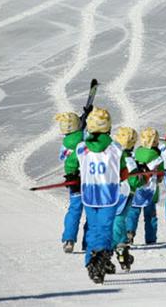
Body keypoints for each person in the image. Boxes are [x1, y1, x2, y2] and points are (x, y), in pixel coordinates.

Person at [65, 107, 128, 284]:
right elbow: (123, 172)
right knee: (105, 228)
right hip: (108, 195)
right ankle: (99, 259)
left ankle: (92, 260)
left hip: (90, 194)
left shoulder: (82, 147)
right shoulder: (115, 148)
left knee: (93, 228)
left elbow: (70, 165)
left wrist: (72, 176)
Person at [54, 112, 87, 253]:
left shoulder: (66, 143)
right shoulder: (84, 137)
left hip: (73, 180)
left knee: (74, 210)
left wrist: (82, 118)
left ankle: (69, 239)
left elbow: (62, 157)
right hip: (89, 180)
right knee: (93, 212)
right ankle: (89, 242)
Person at [126, 127, 164, 245]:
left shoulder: (136, 152)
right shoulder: (157, 156)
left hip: (136, 189)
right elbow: (160, 175)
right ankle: (151, 238)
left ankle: (129, 232)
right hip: (151, 191)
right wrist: (159, 177)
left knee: (133, 213)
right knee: (150, 216)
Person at [111, 127, 140, 271]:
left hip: (111, 192)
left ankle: (117, 246)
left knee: (115, 219)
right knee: (119, 219)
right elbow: (135, 180)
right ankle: (120, 247)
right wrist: (142, 178)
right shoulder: (129, 160)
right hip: (126, 193)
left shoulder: (112, 155)